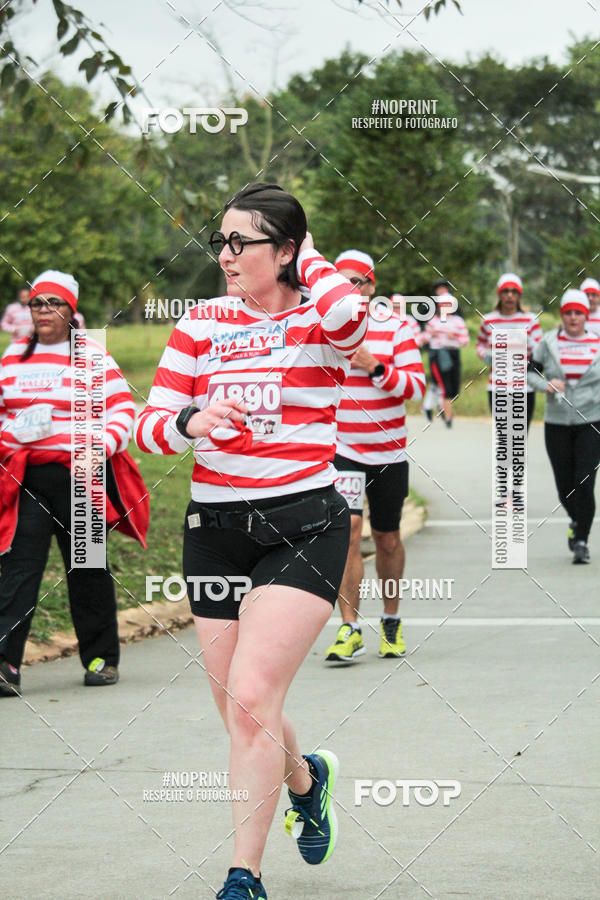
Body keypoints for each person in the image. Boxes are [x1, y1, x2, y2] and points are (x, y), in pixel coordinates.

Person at [135, 183, 368, 900]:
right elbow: (149, 426)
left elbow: (353, 324)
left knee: (252, 698)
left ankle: (245, 876)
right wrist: (191, 423)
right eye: (222, 240)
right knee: (242, 710)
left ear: (288, 250)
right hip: (215, 532)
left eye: (244, 242)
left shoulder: (321, 324)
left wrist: (314, 257)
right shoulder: (200, 324)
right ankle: (306, 778)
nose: (226, 255)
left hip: (305, 524)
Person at [0, 270, 148, 696]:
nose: (44, 311)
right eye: (37, 303)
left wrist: (98, 445)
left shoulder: (93, 358)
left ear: (71, 311)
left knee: (87, 567)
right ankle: (6, 664)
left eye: (55, 303)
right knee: (19, 568)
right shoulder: (13, 357)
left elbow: (123, 411)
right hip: (26, 475)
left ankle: (101, 659)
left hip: (81, 475)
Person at [324, 250, 425, 664]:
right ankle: (349, 628)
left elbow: (416, 389)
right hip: (343, 450)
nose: (353, 289)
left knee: (387, 538)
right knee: (347, 534)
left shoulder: (397, 327)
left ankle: (391, 620)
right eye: (344, 282)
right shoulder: (326, 329)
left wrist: (375, 366)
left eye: (360, 282)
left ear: (373, 285)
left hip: (388, 452)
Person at [528, 289, 600, 564]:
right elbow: (528, 370)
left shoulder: (597, 342)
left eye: (578, 313)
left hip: (591, 421)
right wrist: (545, 385)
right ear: (562, 315)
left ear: (586, 315)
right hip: (557, 421)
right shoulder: (548, 342)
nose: (573, 317)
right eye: (568, 312)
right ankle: (576, 519)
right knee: (564, 486)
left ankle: (581, 539)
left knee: (585, 480)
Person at [477, 272, 542, 430]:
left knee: (519, 439)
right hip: (497, 387)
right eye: (505, 291)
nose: (509, 296)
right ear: (499, 294)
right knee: (504, 438)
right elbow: (480, 345)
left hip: (524, 387)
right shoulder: (488, 320)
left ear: (519, 295)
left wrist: (527, 342)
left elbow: (541, 351)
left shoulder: (531, 320)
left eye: (514, 291)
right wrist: (486, 355)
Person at [421, 292, 469, 428]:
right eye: (443, 305)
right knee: (445, 386)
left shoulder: (458, 321)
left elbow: (465, 341)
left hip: (453, 353)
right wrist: (430, 334)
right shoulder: (433, 322)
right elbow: (422, 339)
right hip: (438, 355)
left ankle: (440, 407)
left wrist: (455, 337)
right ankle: (448, 417)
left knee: (454, 388)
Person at [422, 278, 453, 422]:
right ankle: (436, 406)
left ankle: (430, 406)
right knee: (439, 380)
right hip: (435, 350)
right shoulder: (431, 308)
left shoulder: (453, 305)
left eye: (443, 288)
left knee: (441, 380)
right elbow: (426, 331)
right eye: (439, 289)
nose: (441, 291)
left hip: (450, 349)